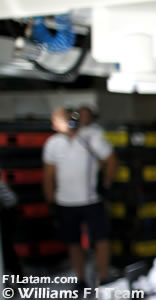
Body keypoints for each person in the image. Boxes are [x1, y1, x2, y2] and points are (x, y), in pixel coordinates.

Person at [43, 108, 117, 287]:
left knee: (101, 239)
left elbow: (111, 160)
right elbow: (49, 174)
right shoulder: (53, 143)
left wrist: (106, 184)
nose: (54, 124)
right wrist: (50, 200)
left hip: (91, 200)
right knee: (73, 242)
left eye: (57, 120)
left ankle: (104, 277)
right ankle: (81, 278)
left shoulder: (91, 137)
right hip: (65, 202)